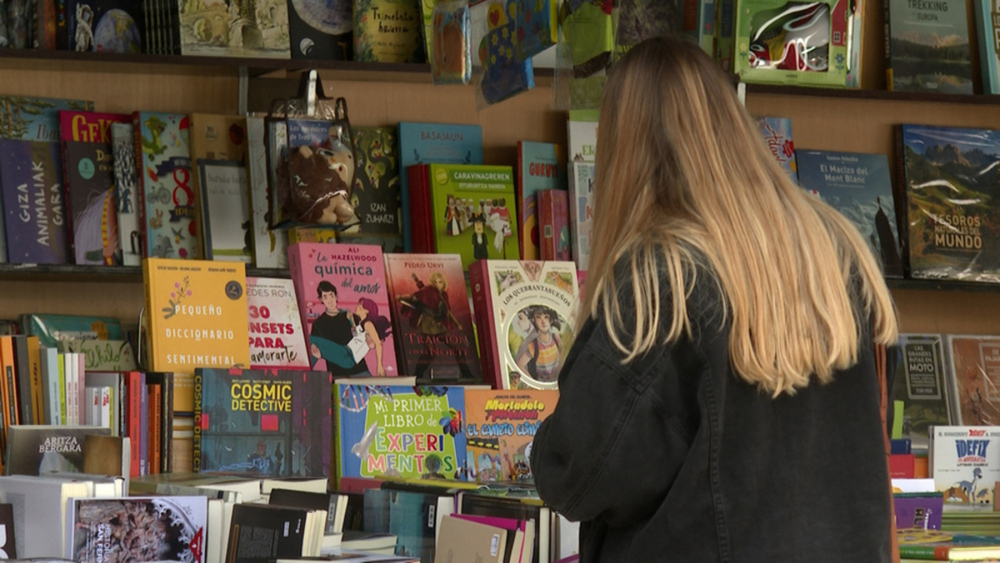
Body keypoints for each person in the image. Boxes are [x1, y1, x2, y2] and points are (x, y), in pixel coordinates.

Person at [530, 35, 898, 562]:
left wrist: (536, 448)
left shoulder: (666, 278)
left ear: (623, 151)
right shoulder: (833, 249)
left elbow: (577, 469)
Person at [309, 281, 369, 377]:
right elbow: (314, 350)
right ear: (321, 299)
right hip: (338, 374)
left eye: (331, 295)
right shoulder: (318, 324)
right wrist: (314, 349)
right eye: (325, 297)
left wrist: (352, 322)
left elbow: (359, 338)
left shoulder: (350, 316)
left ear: (336, 296)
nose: (330, 300)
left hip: (359, 370)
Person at [514, 305, 563, 383]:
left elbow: (563, 356)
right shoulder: (533, 344)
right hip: (542, 386)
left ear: (551, 320)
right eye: (538, 317)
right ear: (534, 321)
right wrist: (534, 383)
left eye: (546, 317)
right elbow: (520, 365)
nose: (543, 322)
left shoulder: (556, 337)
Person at [354, 297, 392, 376]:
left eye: (361, 305)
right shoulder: (360, 323)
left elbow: (378, 344)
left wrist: (379, 365)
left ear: (366, 310)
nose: (357, 306)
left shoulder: (368, 324)